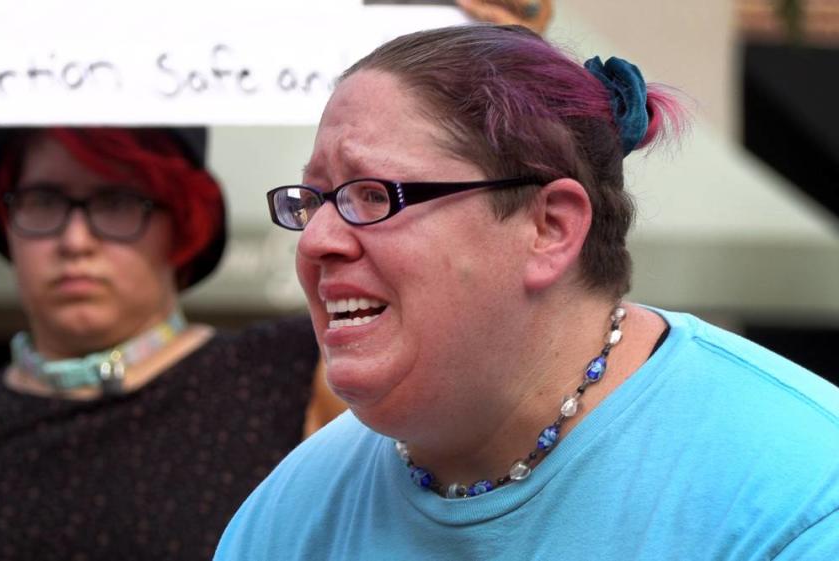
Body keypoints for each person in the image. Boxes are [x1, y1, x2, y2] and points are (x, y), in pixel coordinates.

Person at [215, 24, 839, 560]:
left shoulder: (796, 496)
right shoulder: (290, 514)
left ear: (549, 228)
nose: (317, 239)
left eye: (372, 196)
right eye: (313, 201)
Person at [0, 127, 336, 561]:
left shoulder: (292, 376)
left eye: (116, 202)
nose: (75, 240)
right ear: (6, 220)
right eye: (43, 201)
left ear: (181, 220)